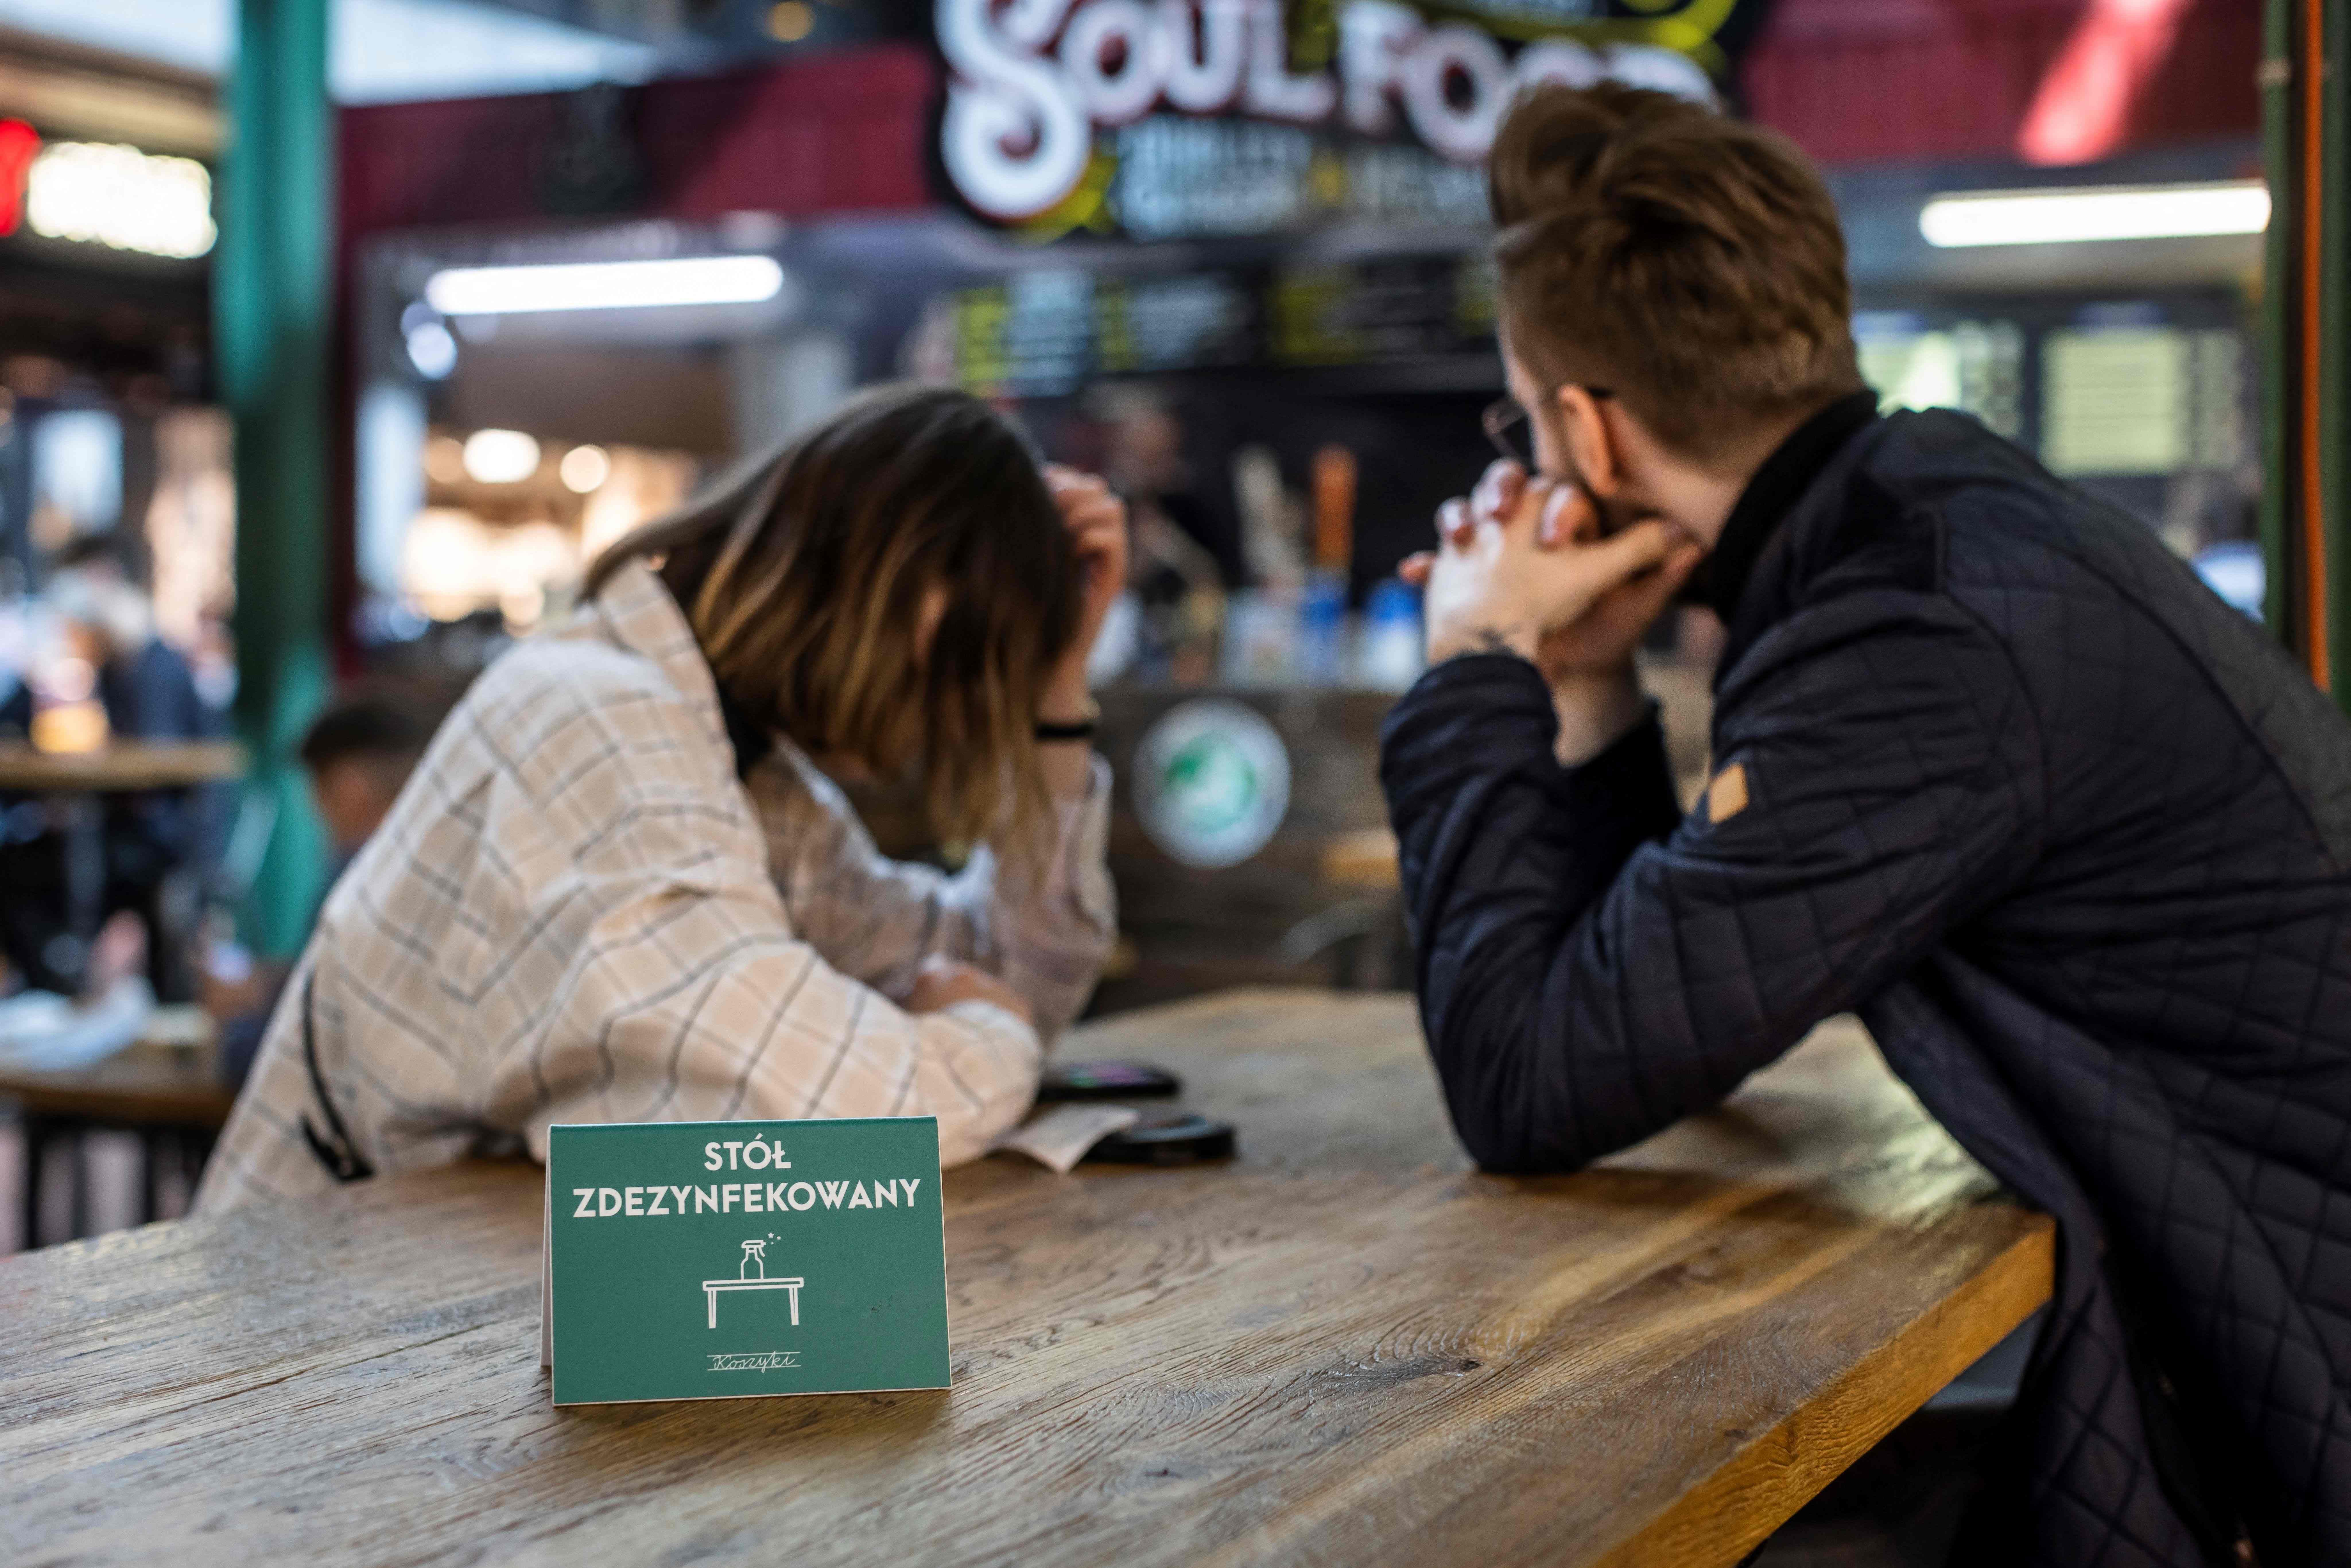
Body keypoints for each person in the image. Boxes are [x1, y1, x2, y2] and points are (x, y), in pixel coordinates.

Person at [1381, 84, 2350, 1568]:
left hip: (2299, 1370)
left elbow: (1530, 1083)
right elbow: (1645, 1004)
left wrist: (1472, 664)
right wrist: (1584, 677)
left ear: (1587, 428)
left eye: (1523, 417)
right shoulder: (1939, 531)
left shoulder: (1917, 644)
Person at [196, 386, 1125, 1211]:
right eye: (973, 655)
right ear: (901, 585)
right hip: (318, 1350)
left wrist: (1056, 698)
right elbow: (824, 1120)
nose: (953, 710)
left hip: (437, 1316)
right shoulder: (604, 728)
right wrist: (992, 1036)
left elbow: (997, 966)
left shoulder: (736, 764)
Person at [0, 532, 226, 1002]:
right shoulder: (112, 667)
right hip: (122, 826)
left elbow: (151, 764)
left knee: (23, 871)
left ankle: (60, 990)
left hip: (164, 836)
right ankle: (54, 989)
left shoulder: (152, 669)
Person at [213, 692, 437, 1091]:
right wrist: (268, 987)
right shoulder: (439, 865)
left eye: (317, 794)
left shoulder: (358, 879)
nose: (317, 814)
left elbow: (287, 1054)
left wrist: (234, 1029)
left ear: (349, 790)